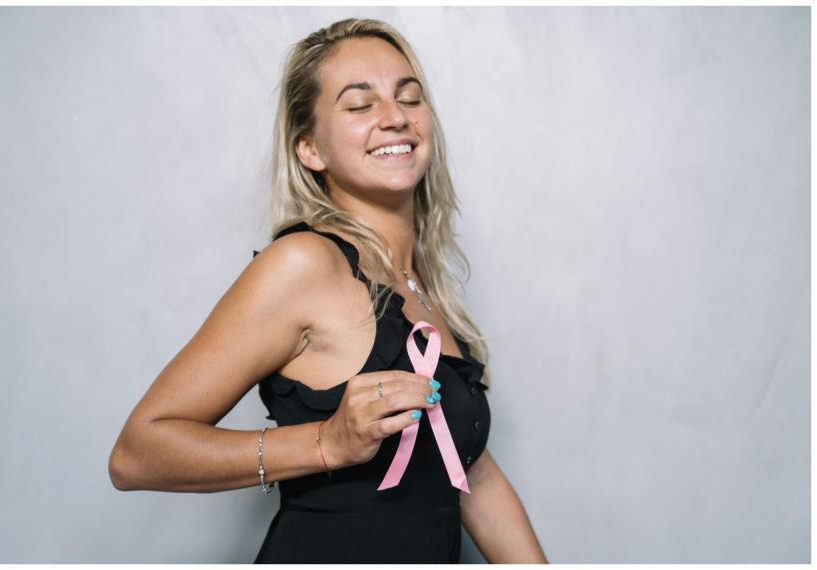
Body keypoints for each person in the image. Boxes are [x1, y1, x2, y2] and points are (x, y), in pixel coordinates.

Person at [108, 17, 548, 564]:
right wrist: (327, 442)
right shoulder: (303, 264)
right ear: (309, 148)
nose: (395, 117)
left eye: (409, 98)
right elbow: (137, 453)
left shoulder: (420, 283)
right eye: (360, 105)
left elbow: (469, 472)